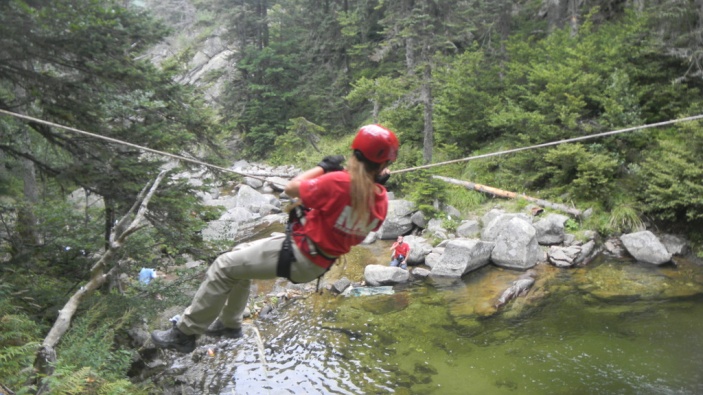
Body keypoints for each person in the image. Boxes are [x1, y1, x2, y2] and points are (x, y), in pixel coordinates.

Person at [151, 124, 400, 353]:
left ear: (355, 154)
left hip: (298, 253)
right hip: (316, 262)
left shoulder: (339, 183)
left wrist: (323, 168)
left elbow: (291, 188)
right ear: (382, 168)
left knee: (223, 266)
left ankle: (184, 333)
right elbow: (353, 213)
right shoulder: (379, 201)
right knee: (239, 261)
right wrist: (369, 180)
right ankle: (230, 324)